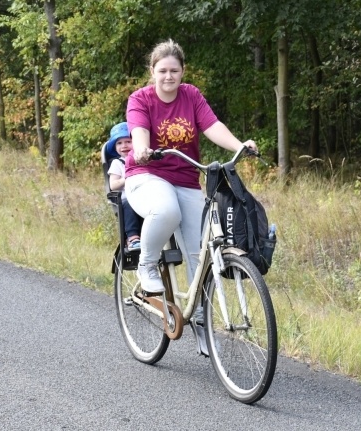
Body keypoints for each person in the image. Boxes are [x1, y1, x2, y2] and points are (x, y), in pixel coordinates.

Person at [124, 39, 257, 295]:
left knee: (201, 252)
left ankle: (199, 322)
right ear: (152, 72)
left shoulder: (191, 95)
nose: (168, 76)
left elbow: (212, 125)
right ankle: (147, 265)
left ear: (182, 71)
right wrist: (141, 148)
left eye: (174, 70)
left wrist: (239, 146)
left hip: (185, 178)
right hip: (147, 174)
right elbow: (138, 129)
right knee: (165, 211)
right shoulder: (140, 99)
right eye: (162, 71)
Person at [105, 121, 143, 250]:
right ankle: (133, 238)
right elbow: (113, 185)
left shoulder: (142, 160)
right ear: (115, 147)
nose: (124, 146)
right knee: (129, 204)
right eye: (119, 143)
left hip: (144, 195)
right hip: (127, 198)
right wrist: (127, 178)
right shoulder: (117, 163)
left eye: (128, 141)